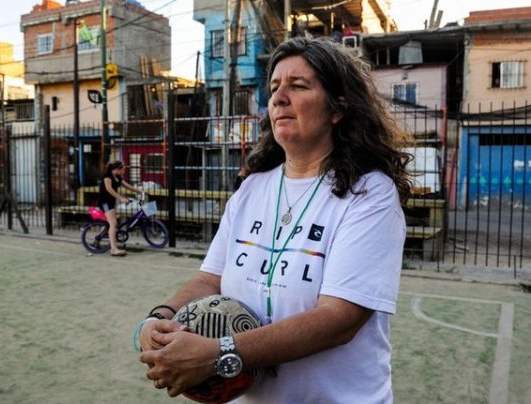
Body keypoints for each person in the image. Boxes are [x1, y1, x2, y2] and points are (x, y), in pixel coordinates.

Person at [137, 37, 412, 402]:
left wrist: (219, 353)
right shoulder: (252, 188)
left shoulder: (369, 193)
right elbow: (209, 279)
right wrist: (157, 321)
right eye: (274, 88)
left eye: (298, 86)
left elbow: (339, 319)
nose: (279, 98)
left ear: (338, 108)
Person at [98, 160, 142, 257]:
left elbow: (127, 186)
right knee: (113, 223)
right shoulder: (107, 177)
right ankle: (113, 249)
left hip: (111, 202)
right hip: (105, 202)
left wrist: (140, 191)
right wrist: (121, 198)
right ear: (116, 169)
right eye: (122, 170)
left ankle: (97, 239)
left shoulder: (117, 177)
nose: (123, 172)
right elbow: (109, 189)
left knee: (110, 222)